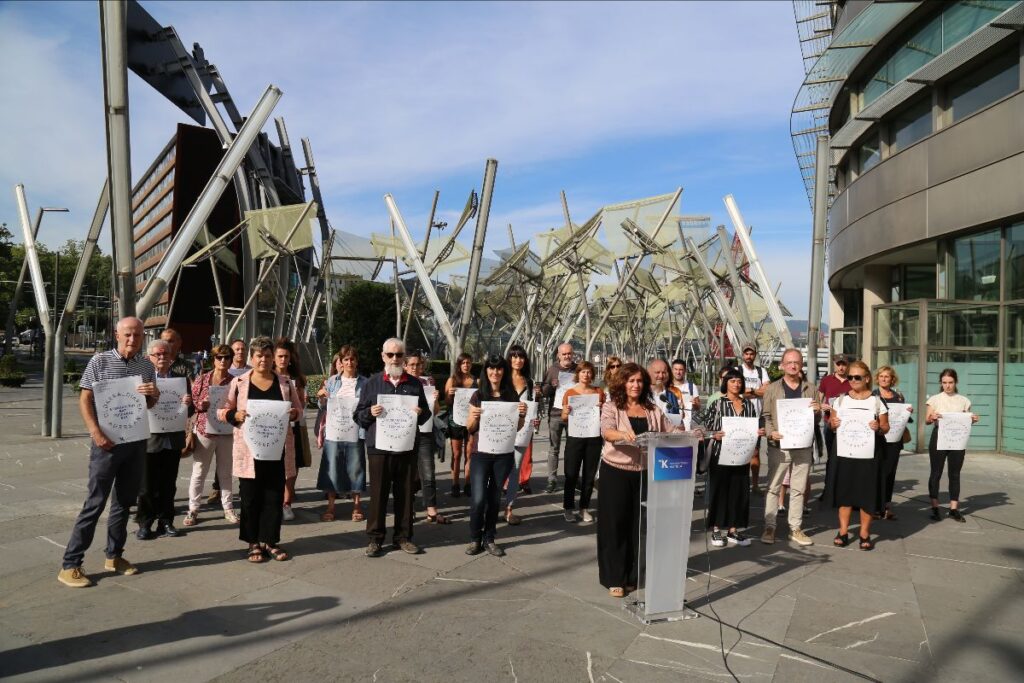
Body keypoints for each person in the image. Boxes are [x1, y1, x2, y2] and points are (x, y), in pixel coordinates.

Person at [58, 317, 159, 587]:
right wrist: (95, 432)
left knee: (124, 503)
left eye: (138, 335)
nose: (133, 339)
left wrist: (154, 394)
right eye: (128, 334)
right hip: (107, 444)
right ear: (117, 334)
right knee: (95, 503)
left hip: (135, 442)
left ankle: (114, 555)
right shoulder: (100, 361)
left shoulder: (146, 366)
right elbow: (85, 398)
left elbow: (148, 404)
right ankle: (70, 564)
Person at [218, 336, 304, 563]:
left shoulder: (285, 383)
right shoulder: (239, 383)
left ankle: (271, 541)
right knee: (250, 497)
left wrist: (294, 414)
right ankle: (253, 542)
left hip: (277, 449)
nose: (263, 360)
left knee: (274, 496)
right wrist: (234, 415)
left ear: (272, 357)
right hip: (249, 451)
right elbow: (221, 410)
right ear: (251, 358)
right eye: (259, 356)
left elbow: (299, 410)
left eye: (267, 355)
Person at [597, 362, 675, 598]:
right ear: (622, 382)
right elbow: (606, 431)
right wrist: (622, 434)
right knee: (615, 524)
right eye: (631, 380)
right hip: (615, 472)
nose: (635, 385)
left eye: (640, 381)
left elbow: (671, 431)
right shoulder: (612, 406)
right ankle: (614, 577)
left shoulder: (652, 409)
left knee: (637, 525)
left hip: (644, 472)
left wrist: (694, 435)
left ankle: (632, 576)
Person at [355, 338, 431, 557]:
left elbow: (426, 414)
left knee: (405, 494)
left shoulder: (415, 384)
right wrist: (370, 412)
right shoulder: (372, 383)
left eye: (399, 355)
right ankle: (375, 538)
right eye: (390, 355)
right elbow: (358, 416)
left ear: (404, 357)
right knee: (378, 494)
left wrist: (420, 413)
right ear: (383, 356)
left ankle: (403, 537)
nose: (395, 359)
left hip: (406, 448)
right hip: (379, 448)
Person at [464, 354, 526, 556]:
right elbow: (469, 427)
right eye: (491, 368)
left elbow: (516, 427)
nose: (495, 372)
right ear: (486, 371)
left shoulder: (511, 395)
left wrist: (522, 415)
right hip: (480, 453)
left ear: (504, 371)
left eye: (499, 368)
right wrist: (474, 418)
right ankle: (475, 538)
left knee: (494, 499)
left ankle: (489, 538)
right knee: (478, 499)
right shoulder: (478, 395)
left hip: (503, 454)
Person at [760, 348, 821, 546]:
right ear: (782, 365)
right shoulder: (772, 389)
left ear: (801, 365)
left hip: (803, 445)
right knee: (773, 487)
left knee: (798, 489)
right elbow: (766, 416)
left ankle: (795, 528)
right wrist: (771, 433)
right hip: (779, 445)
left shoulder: (811, 389)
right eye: (789, 362)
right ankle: (770, 526)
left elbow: (816, 420)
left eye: (797, 362)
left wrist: (818, 411)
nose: (793, 366)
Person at [826, 360, 889, 551]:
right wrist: (833, 424)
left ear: (867, 378)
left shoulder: (877, 401)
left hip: (869, 455)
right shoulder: (840, 400)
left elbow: (886, 427)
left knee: (866, 494)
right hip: (845, 453)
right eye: (850, 377)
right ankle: (843, 532)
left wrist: (878, 428)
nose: (852, 380)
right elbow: (832, 425)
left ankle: (864, 533)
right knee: (844, 493)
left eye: (857, 377)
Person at [136, 338, 193, 540]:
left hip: (173, 439)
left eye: (165, 354)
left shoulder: (181, 380)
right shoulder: (142, 381)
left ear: (172, 356)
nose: (162, 357)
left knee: (169, 484)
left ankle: (166, 521)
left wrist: (188, 403)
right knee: (147, 485)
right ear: (149, 357)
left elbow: (189, 411)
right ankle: (145, 522)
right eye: (157, 354)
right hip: (150, 439)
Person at [701, 367, 763, 547]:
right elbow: (706, 428)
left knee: (739, 491)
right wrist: (714, 434)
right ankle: (716, 529)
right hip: (720, 455)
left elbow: (753, 427)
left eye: (739, 381)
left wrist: (758, 434)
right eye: (732, 381)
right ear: (725, 383)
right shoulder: (717, 404)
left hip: (742, 454)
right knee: (720, 491)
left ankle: (733, 530)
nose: (736, 384)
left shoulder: (749, 405)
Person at [184, 344, 237, 526]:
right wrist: (202, 404)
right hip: (204, 431)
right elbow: (193, 403)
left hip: (227, 431)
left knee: (225, 472)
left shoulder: (236, 381)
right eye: (219, 357)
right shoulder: (203, 379)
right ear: (213, 359)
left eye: (227, 357)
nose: (223, 361)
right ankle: (193, 509)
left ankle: (228, 508)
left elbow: (240, 404)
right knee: (199, 471)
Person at [314, 346, 368, 523]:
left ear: (357, 361)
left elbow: (367, 407)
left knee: (356, 468)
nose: (349, 362)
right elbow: (323, 406)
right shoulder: (332, 381)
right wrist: (321, 397)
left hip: (355, 432)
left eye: (352, 359)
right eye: (346, 359)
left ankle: (357, 506)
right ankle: (330, 506)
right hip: (334, 431)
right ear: (341, 362)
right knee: (332, 468)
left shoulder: (365, 383)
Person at [925, 369, 979, 523]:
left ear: (955, 382)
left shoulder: (964, 400)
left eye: (950, 382)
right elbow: (927, 420)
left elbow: (966, 421)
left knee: (955, 474)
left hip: (957, 439)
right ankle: (935, 507)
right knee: (936, 472)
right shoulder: (935, 399)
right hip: (939, 437)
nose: (947, 386)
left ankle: (954, 508)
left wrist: (973, 419)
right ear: (941, 383)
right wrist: (932, 417)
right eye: (944, 382)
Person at [405, 351, 450, 524]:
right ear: (405, 366)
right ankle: (408, 508)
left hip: (425, 432)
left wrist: (436, 400)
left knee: (428, 471)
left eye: (418, 364)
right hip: (406, 433)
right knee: (408, 473)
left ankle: (432, 510)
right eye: (412, 364)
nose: (415, 368)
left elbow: (436, 411)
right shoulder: (401, 382)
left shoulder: (428, 382)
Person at [561, 360, 605, 523]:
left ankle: (584, 508)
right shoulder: (570, 393)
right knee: (571, 474)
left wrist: (601, 408)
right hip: (575, 437)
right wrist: (566, 412)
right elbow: (564, 417)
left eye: (589, 372)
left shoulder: (598, 392)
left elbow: (605, 415)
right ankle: (568, 508)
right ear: (577, 374)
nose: (586, 374)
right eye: (583, 371)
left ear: (592, 374)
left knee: (589, 475)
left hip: (593, 438)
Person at [209, 337, 251, 504]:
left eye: (243, 349)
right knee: (222, 458)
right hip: (220, 421)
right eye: (237, 349)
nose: (240, 351)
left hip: (241, 422)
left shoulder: (251, 371)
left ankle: (243, 489)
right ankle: (217, 488)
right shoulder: (225, 370)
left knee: (241, 456)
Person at [274, 338, 309, 522]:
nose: (283, 360)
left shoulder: (297, 379)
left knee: (292, 466)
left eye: (286, 356)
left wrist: (300, 402)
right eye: (280, 356)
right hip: (272, 428)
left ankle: (286, 502)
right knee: (274, 466)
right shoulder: (267, 376)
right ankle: (274, 501)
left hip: (293, 427)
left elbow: (301, 405)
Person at [873, 365, 912, 520]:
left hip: (895, 440)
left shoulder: (899, 397)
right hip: (878, 439)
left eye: (887, 376)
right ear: (877, 378)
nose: (884, 379)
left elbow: (904, 419)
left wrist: (908, 413)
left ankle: (887, 506)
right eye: (881, 376)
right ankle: (876, 506)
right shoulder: (872, 396)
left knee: (890, 473)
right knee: (877, 473)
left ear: (892, 379)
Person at [505, 344, 538, 524]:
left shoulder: (529, 382)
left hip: (522, 431)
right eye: (515, 356)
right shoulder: (501, 378)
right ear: (509, 358)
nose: (518, 360)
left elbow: (531, 407)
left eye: (521, 357)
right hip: (502, 430)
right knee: (498, 469)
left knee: (515, 469)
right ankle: (490, 506)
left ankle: (509, 509)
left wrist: (535, 419)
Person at [541, 343, 577, 492]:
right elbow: (544, 391)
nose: (567, 356)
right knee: (553, 449)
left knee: (572, 449)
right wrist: (551, 385)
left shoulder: (578, 369)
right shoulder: (552, 370)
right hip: (555, 414)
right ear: (558, 355)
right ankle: (552, 480)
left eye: (569, 353)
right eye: (564, 354)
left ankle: (571, 478)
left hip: (573, 414)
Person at [816, 354, 851, 501]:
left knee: (847, 458)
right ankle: (828, 490)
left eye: (844, 364)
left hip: (848, 425)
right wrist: (821, 406)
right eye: (838, 364)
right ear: (834, 364)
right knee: (831, 457)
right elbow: (818, 399)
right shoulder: (826, 380)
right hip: (830, 423)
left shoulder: (853, 380)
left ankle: (846, 492)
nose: (841, 367)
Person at [739, 344, 770, 494]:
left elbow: (767, 391)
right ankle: (741, 483)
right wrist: (756, 391)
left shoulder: (761, 371)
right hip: (740, 417)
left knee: (755, 452)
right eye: (746, 353)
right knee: (740, 451)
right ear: (742, 355)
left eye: (751, 354)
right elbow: (737, 391)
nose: (749, 356)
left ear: (755, 355)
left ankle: (755, 485)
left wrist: (749, 391)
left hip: (757, 416)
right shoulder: (737, 371)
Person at [444, 353, 477, 497]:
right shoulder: (452, 380)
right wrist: (449, 394)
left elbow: (480, 400)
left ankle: (468, 483)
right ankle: (455, 484)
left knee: (469, 453)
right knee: (456, 454)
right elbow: (446, 402)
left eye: (468, 362)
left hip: (470, 421)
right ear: (459, 365)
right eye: (463, 363)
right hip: (455, 421)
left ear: (471, 364)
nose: (466, 365)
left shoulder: (476, 381)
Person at [671, 358, 700, 429]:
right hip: (671, 427)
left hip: (688, 427)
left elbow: (698, 407)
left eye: (681, 370)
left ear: (685, 371)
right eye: (676, 369)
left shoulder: (691, 386)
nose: (678, 372)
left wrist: (695, 404)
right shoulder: (667, 387)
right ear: (672, 370)